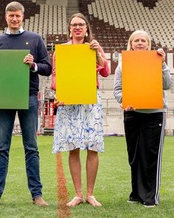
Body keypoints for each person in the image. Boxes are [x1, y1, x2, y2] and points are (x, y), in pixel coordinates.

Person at [0, 1, 52, 207]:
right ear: (6, 17)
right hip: (3, 99)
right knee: (1, 147)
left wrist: (33, 65)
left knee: (31, 147)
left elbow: (47, 68)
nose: (14, 19)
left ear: (23, 17)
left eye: (18, 16)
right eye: (11, 15)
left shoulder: (35, 39)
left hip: (28, 96)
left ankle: (37, 194)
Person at [51, 13, 110, 207]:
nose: (77, 27)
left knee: (92, 147)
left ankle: (90, 194)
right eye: (74, 24)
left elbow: (105, 71)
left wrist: (98, 54)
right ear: (70, 29)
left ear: (86, 29)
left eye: (81, 24)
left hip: (90, 100)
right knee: (73, 148)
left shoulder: (93, 46)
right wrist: (58, 95)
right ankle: (78, 194)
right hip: (68, 101)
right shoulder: (62, 50)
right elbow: (56, 76)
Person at [113, 30, 172, 207]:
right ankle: (136, 194)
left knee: (150, 156)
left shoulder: (157, 60)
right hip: (132, 113)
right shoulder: (123, 64)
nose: (139, 43)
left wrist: (163, 64)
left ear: (148, 44)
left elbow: (167, 85)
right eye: (136, 40)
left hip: (154, 114)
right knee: (134, 156)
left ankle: (150, 196)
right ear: (130, 44)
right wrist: (124, 102)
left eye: (143, 40)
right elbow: (117, 90)